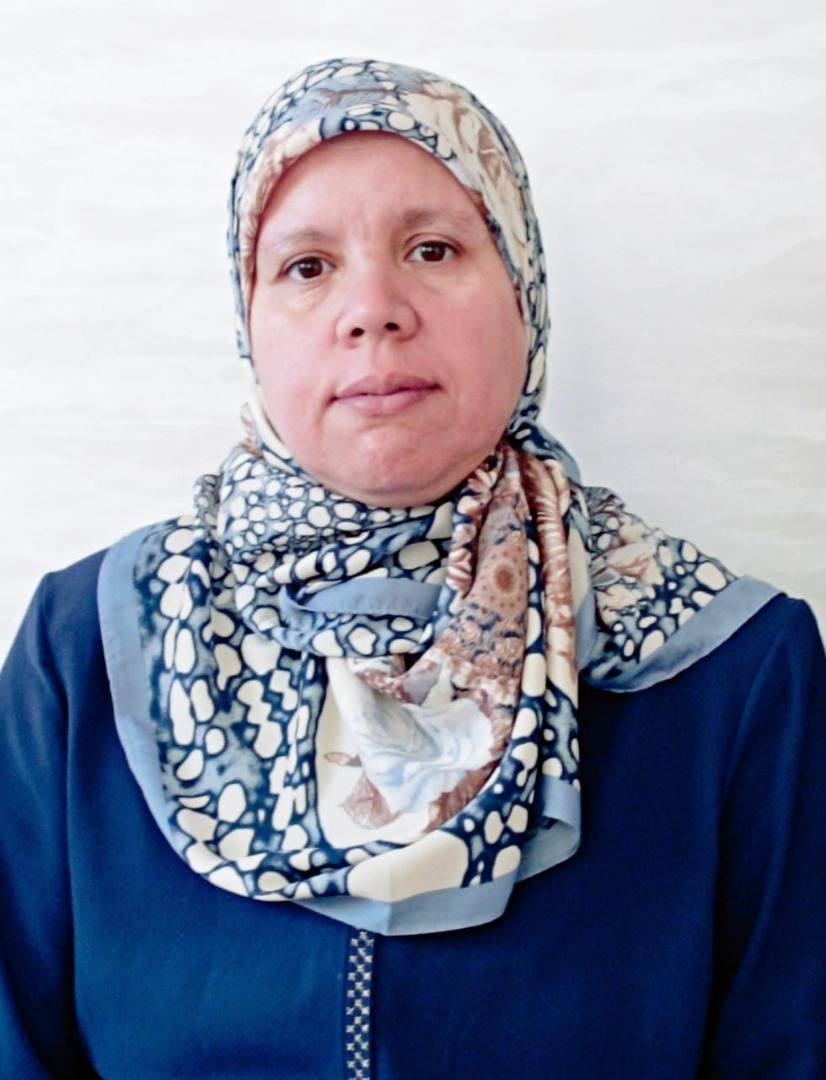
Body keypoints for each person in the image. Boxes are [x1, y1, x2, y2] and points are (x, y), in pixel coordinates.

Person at [1, 57, 824, 1079]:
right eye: (307, 266)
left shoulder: (727, 668)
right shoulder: (87, 649)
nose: (372, 308)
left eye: (432, 249)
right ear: (248, 321)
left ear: (522, 289)